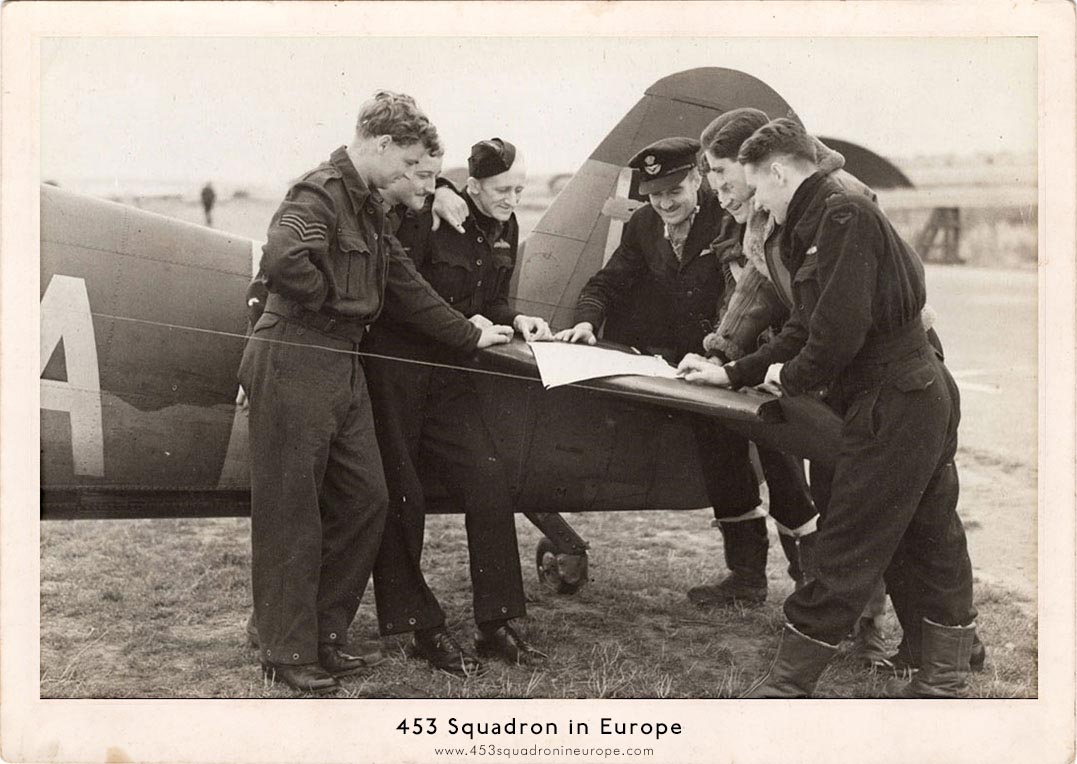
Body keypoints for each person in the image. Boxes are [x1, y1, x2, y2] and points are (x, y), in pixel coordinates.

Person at [678, 118, 978, 698]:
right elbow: (801, 324)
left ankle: (788, 686)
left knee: (850, 541)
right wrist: (733, 370)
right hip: (903, 395)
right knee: (929, 534)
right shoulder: (812, 222)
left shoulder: (842, 216)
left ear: (780, 171)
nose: (757, 203)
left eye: (759, 188)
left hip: (898, 398)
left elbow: (835, 336)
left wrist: (780, 379)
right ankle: (942, 675)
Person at [237, 91, 512, 694]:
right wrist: (343, 304)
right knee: (292, 512)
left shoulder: (369, 206)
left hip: (341, 362)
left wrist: (467, 334)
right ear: (382, 144)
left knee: (368, 498)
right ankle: (287, 651)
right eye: (411, 161)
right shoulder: (320, 190)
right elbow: (286, 263)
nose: (414, 174)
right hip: (297, 354)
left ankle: (325, 634)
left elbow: (406, 283)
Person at [555, 136, 817, 604]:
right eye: (655, 194)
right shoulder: (643, 227)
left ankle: (812, 587)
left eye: (675, 190)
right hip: (696, 374)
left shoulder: (730, 217)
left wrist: (735, 359)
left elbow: (753, 294)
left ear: (698, 178)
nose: (665, 202)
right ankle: (746, 578)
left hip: (751, 361)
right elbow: (607, 283)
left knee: (785, 473)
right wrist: (585, 321)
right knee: (724, 468)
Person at [697, 107, 890, 664]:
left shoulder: (838, 201)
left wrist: (775, 370)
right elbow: (760, 281)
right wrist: (723, 352)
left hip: (874, 368)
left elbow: (840, 310)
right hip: (832, 366)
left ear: (758, 165)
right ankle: (854, 618)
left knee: (865, 500)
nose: (717, 188)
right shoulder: (766, 213)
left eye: (721, 173)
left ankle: (883, 627)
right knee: (834, 497)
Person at [364, 138, 552, 675]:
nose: (512, 199)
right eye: (501, 189)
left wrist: (514, 319)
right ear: (471, 186)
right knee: (404, 498)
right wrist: (458, 324)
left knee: (489, 480)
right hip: (396, 372)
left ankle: (497, 622)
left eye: (519, 189)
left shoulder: (505, 226)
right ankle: (422, 628)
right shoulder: (430, 213)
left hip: (451, 376)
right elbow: (399, 292)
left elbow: (490, 297)